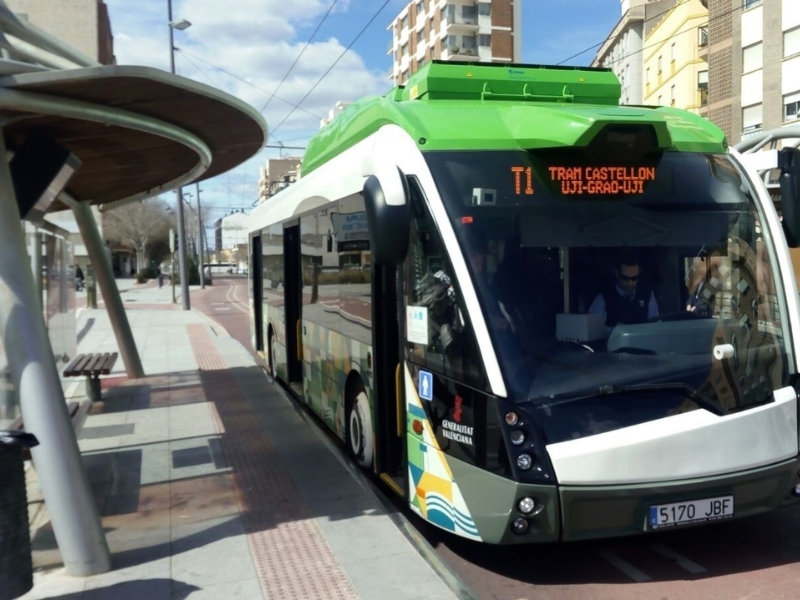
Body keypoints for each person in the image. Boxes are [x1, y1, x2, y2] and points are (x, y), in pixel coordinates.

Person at [589, 252, 658, 326]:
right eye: (625, 278)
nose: (630, 283)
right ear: (617, 273)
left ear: (639, 273)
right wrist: (614, 330)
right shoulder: (603, 298)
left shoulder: (647, 294)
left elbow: (656, 325)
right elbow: (593, 329)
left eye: (634, 278)